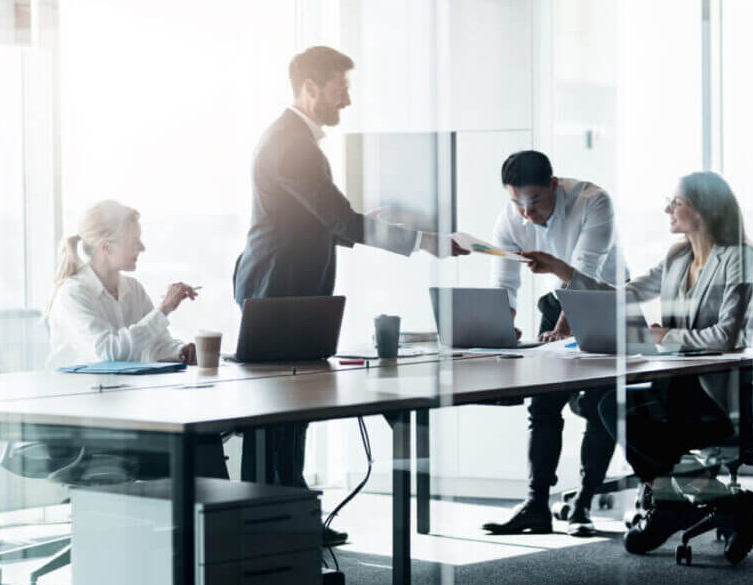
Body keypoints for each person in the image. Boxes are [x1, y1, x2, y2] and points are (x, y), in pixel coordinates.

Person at [232, 46, 466, 546]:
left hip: (287, 288)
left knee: (289, 414)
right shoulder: (291, 143)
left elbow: (320, 221)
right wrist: (423, 241)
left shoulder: (293, 140)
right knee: (278, 415)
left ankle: (286, 521)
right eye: (341, 89)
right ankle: (277, 526)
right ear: (310, 87)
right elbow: (337, 219)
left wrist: (366, 223)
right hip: (278, 290)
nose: (347, 101)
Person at [521, 171, 753, 558]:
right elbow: (623, 295)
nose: (667, 207)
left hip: (714, 393)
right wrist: (561, 270)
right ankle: (703, 501)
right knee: (607, 405)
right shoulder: (678, 257)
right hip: (676, 384)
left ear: (703, 209)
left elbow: (727, 336)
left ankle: (677, 504)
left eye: (676, 200)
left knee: (623, 412)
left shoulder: (739, 259)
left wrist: (667, 336)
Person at [481, 150, 626, 537]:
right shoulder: (510, 217)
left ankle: (583, 503)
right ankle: (536, 505)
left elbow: (586, 272)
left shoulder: (594, 202)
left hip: (604, 299)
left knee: (599, 405)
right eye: (517, 203)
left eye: (535, 201)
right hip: (557, 301)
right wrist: (502, 328)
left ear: (554, 185)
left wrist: (563, 329)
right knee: (542, 404)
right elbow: (504, 284)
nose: (526, 213)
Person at [46, 199, 227, 478]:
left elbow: (153, 344)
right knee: (185, 441)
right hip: (83, 416)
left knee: (201, 433)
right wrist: (164, 308)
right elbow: (109, 353)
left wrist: (179, 351)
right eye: (134, 241)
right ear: (106, 247)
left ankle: (213, 518)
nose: (141, 248)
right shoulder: (73, 294)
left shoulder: (132, 288)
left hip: (124, 407)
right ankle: (196, 515)